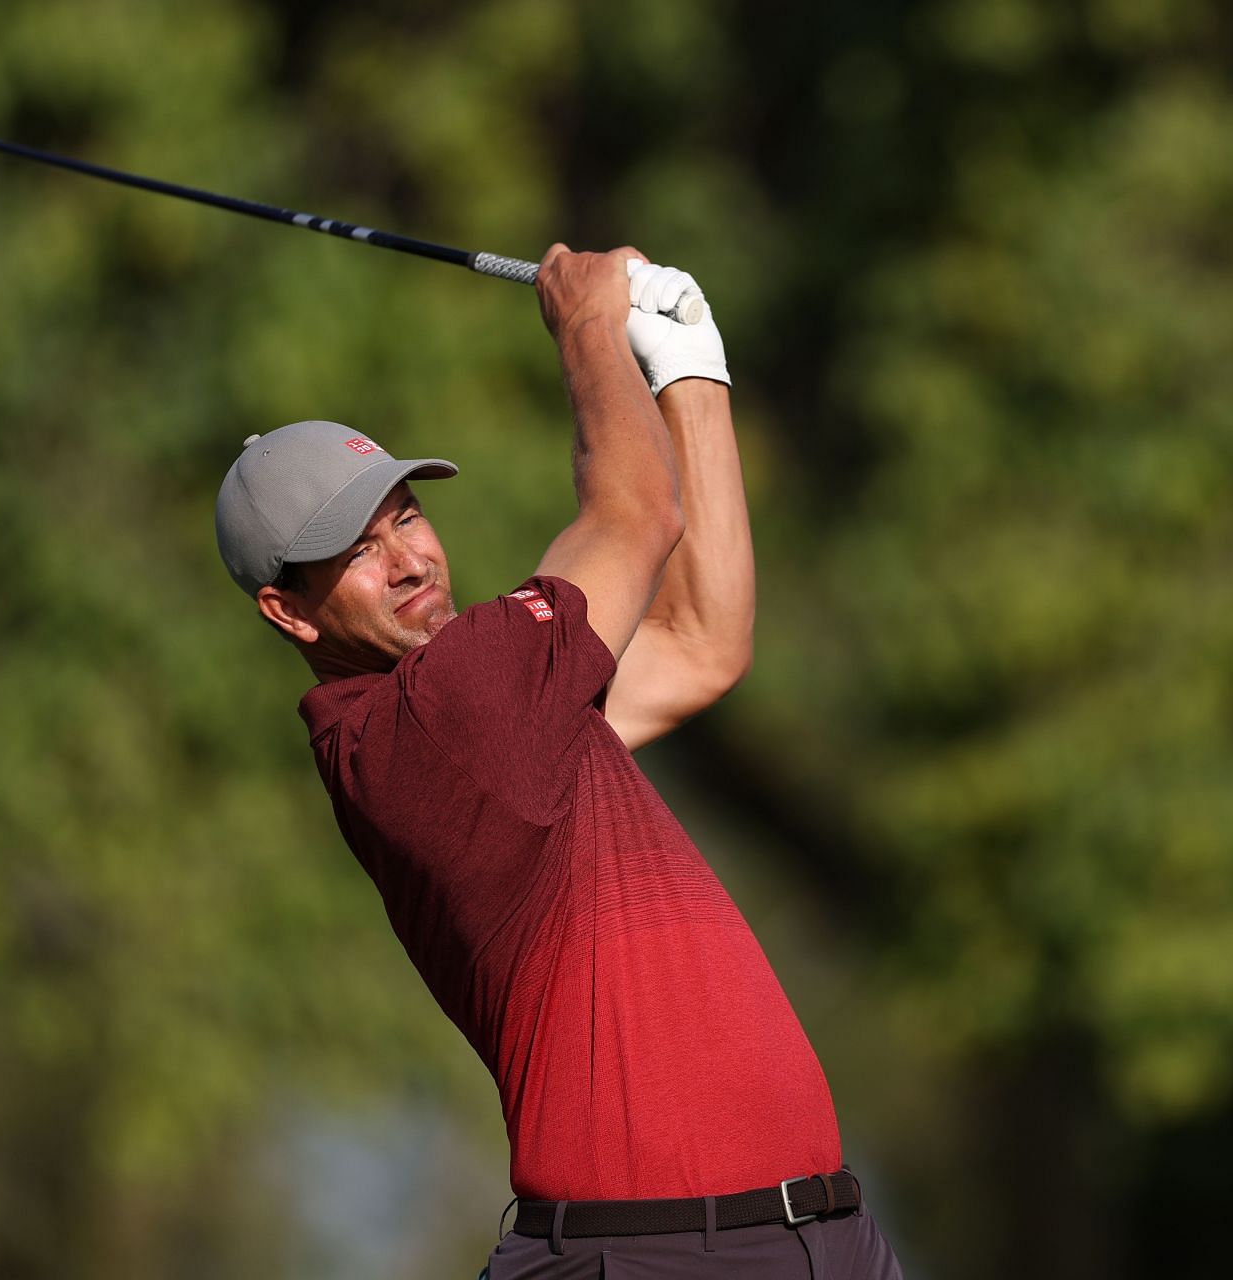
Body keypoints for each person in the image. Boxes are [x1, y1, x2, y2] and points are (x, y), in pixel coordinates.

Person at [214, 246, 904, 1278]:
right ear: (286, 608)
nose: (408, 558)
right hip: (650, 1256)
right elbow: (636, 517)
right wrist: (587, 322)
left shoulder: (500, 708)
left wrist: (689, 373)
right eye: (354, 549)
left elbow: (704, 641)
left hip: (825, 1240)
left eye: (406, 515)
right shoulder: (437, 721)